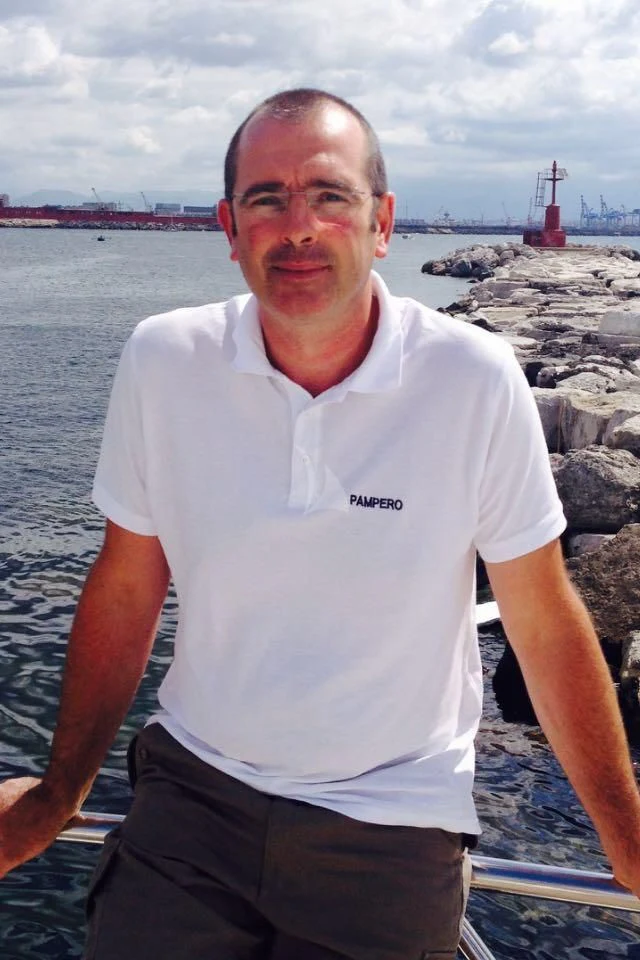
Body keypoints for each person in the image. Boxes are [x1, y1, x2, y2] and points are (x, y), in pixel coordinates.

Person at [1, 88, 639, 960]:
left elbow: (541, 618)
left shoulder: (473, 379)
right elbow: (126, 585)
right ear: (230, 228)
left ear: (382, 224)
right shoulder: (164, 360)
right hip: (191, 798)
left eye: (330, 196)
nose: (298, 226)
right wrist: (58, 792)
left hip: (389, 821)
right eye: (267, 199)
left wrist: (623, 833)